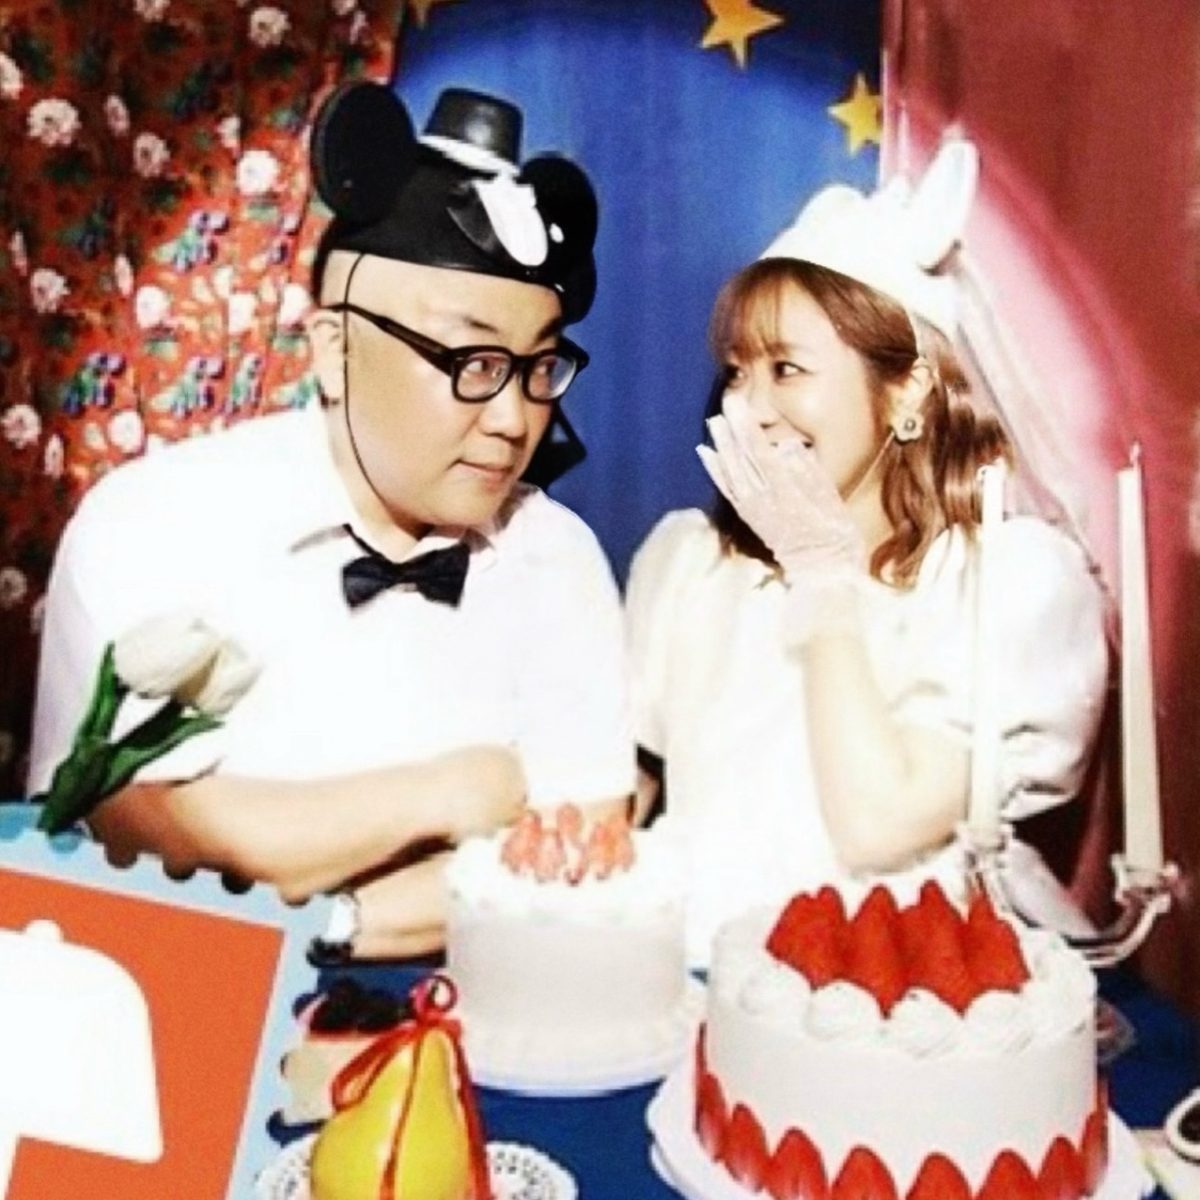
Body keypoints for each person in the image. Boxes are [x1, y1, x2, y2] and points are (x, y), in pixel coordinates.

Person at [27, 82, 634, 958]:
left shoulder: (559, 556)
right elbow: (122, 836)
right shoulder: (151, 525)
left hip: (485, 1000)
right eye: (470, 361)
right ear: (334, 350)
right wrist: (455, 789)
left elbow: (576, 859)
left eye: (539, 368)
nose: (513, 419)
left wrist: (336, 914)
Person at [626, 142, 1109, 963]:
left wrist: (824, 576)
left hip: (899, 990)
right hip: (687, 978)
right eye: (738, 373)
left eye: (787, 369)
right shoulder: (694, 565)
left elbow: (876, 825)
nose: (748, 409)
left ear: (907, 388)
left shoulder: (1004, 583)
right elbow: (616, 814)